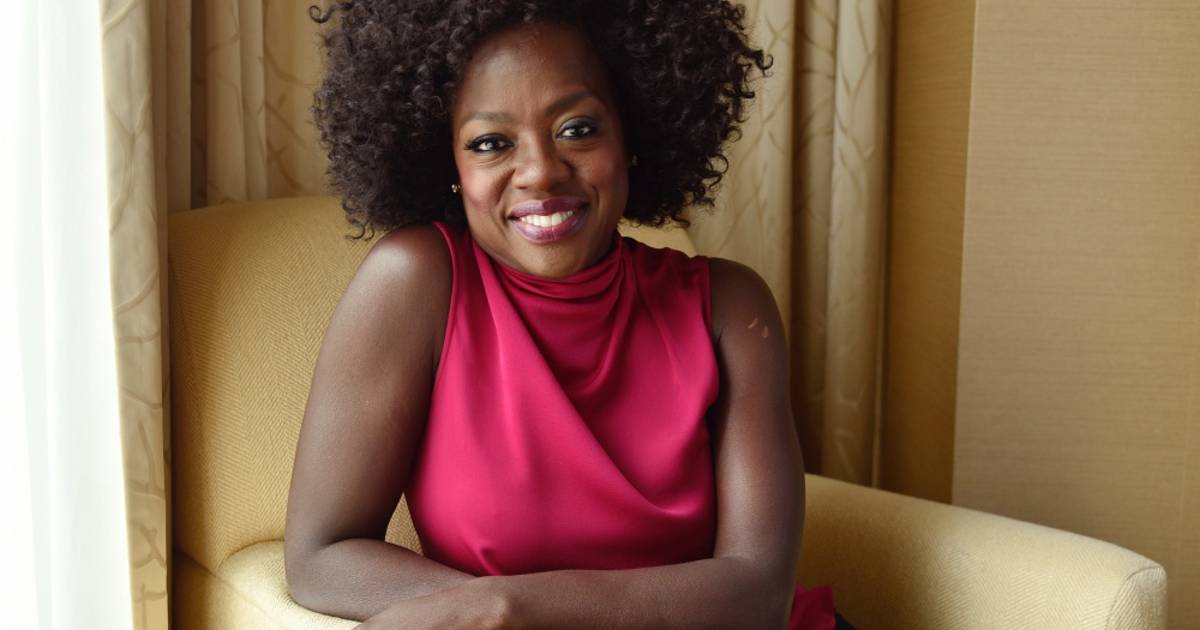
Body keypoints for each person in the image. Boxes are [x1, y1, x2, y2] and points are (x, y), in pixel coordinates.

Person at [285, 1, 853, 628]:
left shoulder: (729, 307)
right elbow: (321, 556)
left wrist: (505, 609)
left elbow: (759, 592)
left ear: (631, 136)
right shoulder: (417, 283)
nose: (541, 173)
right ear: (450, 166)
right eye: (490, 143)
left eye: (577, 129)